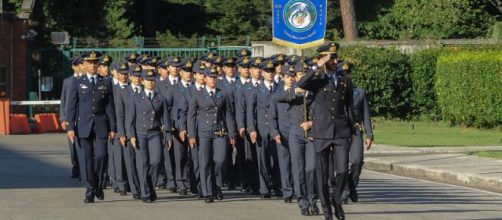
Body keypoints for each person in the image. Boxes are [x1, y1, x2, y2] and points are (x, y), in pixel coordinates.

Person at [296, 42, 357, 220]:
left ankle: (336, 200)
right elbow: (301, 83)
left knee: (343, 170)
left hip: (341, 131)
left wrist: (353, 130)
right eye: (331, 57)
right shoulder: (316, 79)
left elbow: (349, 106)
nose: (335, 60)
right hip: (321, 131)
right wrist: (318, 65)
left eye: (335, 56)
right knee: (321, 175)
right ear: (323, 57)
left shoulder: (344, 79)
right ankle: (327, 210)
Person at [66, 51, 117, 203]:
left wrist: (113, 127)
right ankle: (89, 189)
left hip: (101, 125)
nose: (93, 65)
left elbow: (110, 107)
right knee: (86, 159)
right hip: (83, 125)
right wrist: (70, 127)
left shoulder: (106, 82)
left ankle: (99, 184)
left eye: (96, 63)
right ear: (85, 65)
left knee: (101, 156)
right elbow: (71, 105)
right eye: (90, 63)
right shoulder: (77, 82)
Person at [274, 62, 319, 216]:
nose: (303, 77)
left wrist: (312, 122)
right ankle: (303, 203)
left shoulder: (316, 91)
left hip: (312, 133)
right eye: (300, 75)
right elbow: (277, 98)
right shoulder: (291, 91)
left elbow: (325, 111)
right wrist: (296, 90)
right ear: (295, 77)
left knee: (311, 169)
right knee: (298, 169)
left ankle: (313, 199)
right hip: (296, 134)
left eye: (305, 74)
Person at [187, 66, 236, 203]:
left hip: (219, 131)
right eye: (210, 77)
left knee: (220, 160)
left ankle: (217, 185)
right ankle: (208, 192)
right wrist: (191, 135)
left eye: (215, 77)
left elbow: (228, 115)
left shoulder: (223, 94)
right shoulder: (197, 94)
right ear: (205, 78)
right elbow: (191, 115)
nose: (213, 79)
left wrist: (232, 134)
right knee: (205, 162)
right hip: (203, 132)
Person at [126, 69, 173, 203]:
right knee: (143, 164)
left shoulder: (160, 98)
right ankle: (146, 192)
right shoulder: (136, 97)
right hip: (140, 133)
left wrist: (168, 136)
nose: (150, 83)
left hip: (154, 133)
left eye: (152, 80)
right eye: (148, 80)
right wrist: (132, 135)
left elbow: (166, 119)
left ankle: (150, 187)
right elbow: (130, 118)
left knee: (156, 161)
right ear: (143, 81)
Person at [339, 62, 374, 204]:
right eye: (343, 74)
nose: (346, 76)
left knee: (357, 160)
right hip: (340, 131)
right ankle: (346, 191)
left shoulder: (359, 92)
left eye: (348, 74)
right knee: (341, 165)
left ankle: (351, 186)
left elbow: (366, 114)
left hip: (355, 130)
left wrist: (369, 135)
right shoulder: (335, 92)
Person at [246, 59, 282, 198]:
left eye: (272, 71)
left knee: (277, 160)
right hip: (261, 128)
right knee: (263, 160)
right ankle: (265, 189)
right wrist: (251, 129)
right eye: (267, 71)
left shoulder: (280, 88)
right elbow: (251, 111)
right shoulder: (257, 90)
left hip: (276, 128)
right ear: (263, 73)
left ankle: (278, 186)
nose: (270, 73)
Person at [113, 63, 142, 200]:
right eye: (134, 76)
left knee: (144, 161)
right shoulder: (124, 92)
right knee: (130, 162)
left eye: (139, 76)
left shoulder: (146, 90)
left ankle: (143, 186)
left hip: (144, 130)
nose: (137, 79)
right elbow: (120, 114)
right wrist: (122, 133)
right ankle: (135, 189)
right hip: (128, 131)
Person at [59, 55, 83, 179]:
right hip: (70, 118)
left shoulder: (86, 80)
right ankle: (76, 166)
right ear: (74, 67)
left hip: (83, 117)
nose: (82, 66)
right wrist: (63, 118)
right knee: (73, 145)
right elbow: (64, 100)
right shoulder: (68, 81)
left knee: (84, 144)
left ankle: (84, 169)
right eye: (79, 64)